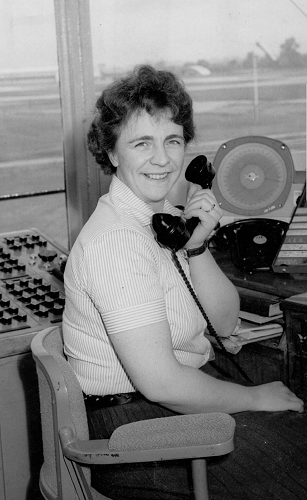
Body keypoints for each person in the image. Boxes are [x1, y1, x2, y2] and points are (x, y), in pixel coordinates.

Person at [62, 65, 303, 500]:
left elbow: (224, 323)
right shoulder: (116, 241)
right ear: (112, 154)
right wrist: (252, 400)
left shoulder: (157, 223)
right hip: (132, 430)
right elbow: (162, 383)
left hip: (159, 406)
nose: (162, 159)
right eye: (141, 143)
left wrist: (196, 246)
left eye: (172, 141)